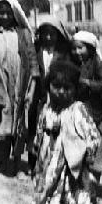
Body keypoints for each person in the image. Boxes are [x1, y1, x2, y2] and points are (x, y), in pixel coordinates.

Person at [30, 60, 100, 204]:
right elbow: (39, 133)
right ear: (48, 86)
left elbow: (94, 136)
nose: (61, 92)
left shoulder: (77, 110)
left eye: (67, 88)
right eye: (56, 87)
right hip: (48, 165)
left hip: (71, 168)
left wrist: (85, 154)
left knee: (72, 200)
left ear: (75, 89)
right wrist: (36, 149)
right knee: (46, 196)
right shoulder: (46, 109)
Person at [0, 0, 39, 177]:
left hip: (20, 84)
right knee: (2, 125)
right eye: (1, 13)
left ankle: (16, 159)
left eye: (8, 13)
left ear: (14, 14)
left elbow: (32, 61)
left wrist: (31, 88)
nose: (5, 16)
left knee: (19, 123)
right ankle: (2, 160)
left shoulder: (22, 33)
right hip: (1, 85)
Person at [71, 31, 102, 204]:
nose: (77, 52)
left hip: (95, 115)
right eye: (75, 49)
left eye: (81, 48)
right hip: (79, 117)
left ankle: (91, 193)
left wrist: (88, 83)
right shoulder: (73, 64)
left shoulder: (98, 65)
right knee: (80, 156)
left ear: (91, 48)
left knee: (95, 156)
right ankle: (80, 192)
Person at [28, 20, 71, 176]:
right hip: (40, 95)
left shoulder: (64, 52)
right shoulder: (36, 50)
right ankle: (34, 163)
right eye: (45, 34)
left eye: (52, 34)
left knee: (55, 129)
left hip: (57, 95)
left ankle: (55, 163)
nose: (48, 37)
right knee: (36, 129)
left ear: (58, 35)